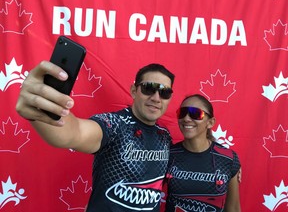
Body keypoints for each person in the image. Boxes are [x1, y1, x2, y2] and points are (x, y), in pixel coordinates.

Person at [16, 61, 175, 211]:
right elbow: (73, 133)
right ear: (134, 91)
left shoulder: (165, 136)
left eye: (165, 92)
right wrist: (40, 109)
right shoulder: (114, 124)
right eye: (148, 88)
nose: (156, 98)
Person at [164, 94, 241, 212]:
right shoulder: (168, 155)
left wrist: (235, 165)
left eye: (195, 114)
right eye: (182, 113)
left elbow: (233, 208)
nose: (186, 118)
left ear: (210, 122)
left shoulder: (228, 159)